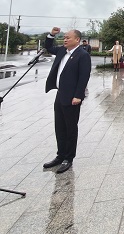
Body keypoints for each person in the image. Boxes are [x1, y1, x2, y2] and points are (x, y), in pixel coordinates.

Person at [43, 27, 91, 174]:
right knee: (59, 127)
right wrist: (52, 35)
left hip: (72, 97)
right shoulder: (62, 51)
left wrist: (78, 96)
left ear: (77, 40)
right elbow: (48, 47)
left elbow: (84, 76)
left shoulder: (82, 55)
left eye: (68, 37)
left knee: (70, 128)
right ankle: (60, 155)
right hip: (60, 95)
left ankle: (68, 158)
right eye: (64, 37)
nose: (65, 39)